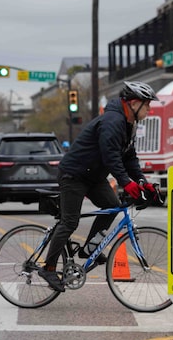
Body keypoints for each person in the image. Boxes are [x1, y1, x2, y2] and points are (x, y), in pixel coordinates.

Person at [38, 81, 160, 292]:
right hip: (74, 174)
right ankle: (48, 267)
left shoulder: (128, 124)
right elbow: (111, 156)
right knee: (70, 222)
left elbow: (129, 158)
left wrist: (141, 181)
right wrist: (126, 182)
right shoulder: (113, 122)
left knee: (111, 205)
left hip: (93, 176)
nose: (149, 109)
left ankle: (89, 248)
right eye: (147, 105)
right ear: (134, 103)